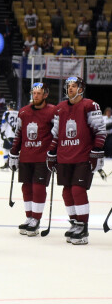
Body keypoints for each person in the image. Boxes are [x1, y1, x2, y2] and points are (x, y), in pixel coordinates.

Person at [46, 77, 106, 245]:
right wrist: (51, 152)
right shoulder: (60, 108)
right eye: (69, 86)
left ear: (81, 88)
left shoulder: (90, 105)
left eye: (74, 86)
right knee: (66, 191)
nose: (70, 88)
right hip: (64, 156)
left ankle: (83, 227)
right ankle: (75, 223)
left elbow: (100, 131)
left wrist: (96, 151)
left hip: (83, 156)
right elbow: (56, 134)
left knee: (78, 190)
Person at [8, 82, 55, 236]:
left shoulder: (52, 112)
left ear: (45, 95)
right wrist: (14, 152)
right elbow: (19, 134)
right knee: (26, 187)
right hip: (26, 156)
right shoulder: (23, 112)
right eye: (33, 93)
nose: (35, 96)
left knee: (38, 187)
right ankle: (29, 217)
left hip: (43, 157)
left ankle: (36, 219)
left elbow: (57, 134)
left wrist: (55, 153)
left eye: (39, 93)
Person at [0, 101, 18, 170]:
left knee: (7, 150)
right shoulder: (18, 113)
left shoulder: (6, 113)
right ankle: (15, 165)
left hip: (9, 134)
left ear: (9, 106)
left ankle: (6, 164)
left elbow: (3, 123)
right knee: (16, 150)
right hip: (16, 135)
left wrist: (2, 132)